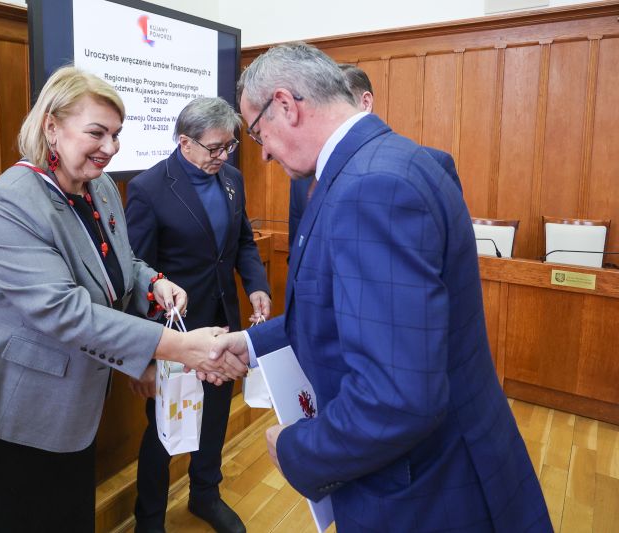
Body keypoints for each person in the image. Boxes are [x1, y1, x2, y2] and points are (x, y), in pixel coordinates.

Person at [212, 43, 552, 531]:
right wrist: (249, 344)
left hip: (426, 491)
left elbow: (395, 397)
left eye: (257, 132)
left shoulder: (370, 188)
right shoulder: (391, 161)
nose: (262, 152)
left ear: (285, 104)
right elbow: (340, 311)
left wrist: (297, 449)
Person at [0, 66, 246, 533]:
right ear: (51, 126)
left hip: (68, 407)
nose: (111, 147)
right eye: (97, 133)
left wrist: (153, 281)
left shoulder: (100, 187)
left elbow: (119, 259)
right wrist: (181, 347)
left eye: (116, 134)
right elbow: (65, 311)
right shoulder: (9, 202)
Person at [125, 97, 271, 533]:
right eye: (214, 147)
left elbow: (242, 242)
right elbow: (136, 271)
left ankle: (205, 494)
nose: (223, 155)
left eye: (230, 146)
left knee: (216, 417)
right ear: (184, 142)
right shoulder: (149, 188)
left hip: (223, 324)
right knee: (164, 429)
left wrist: (257, 285)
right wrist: (146, 355)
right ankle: (149, 518)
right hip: (175, 332)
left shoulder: (232, 180)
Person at [288, 64, 462, 251]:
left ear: (365, 103)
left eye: (336, 108)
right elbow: (297, 251)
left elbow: (452, 248)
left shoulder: (434, 164)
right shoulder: (305, 176)